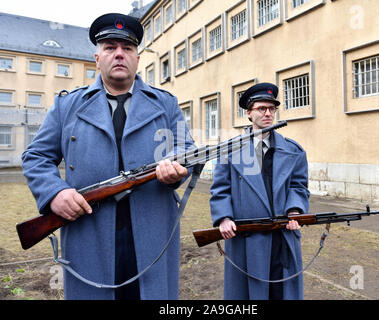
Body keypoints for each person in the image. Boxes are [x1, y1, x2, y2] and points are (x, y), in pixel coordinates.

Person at [21, 13, 193, 300]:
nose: (119, 55)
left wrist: (175, 165)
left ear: (138, 58)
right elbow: (36, 156)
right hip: (89, 230)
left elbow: (185, 149)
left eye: (127, 48)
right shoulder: (67, 106)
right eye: (110, 47)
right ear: (97, 57)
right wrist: (55, 194)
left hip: (152, 228)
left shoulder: (165, 104)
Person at [209, 82, 310, 300]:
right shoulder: (230, 150)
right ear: (248, 113)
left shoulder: (293, 150)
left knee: (281, 292)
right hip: (246, 238)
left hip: (282, 236)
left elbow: (299, 186)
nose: (268, 113)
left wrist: (295, 210)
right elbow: (220, 189)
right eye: (261, 108)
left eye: (271, 109)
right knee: (247, 295)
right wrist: (224, 218)